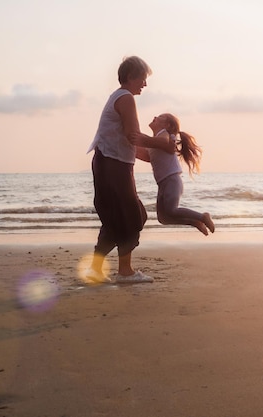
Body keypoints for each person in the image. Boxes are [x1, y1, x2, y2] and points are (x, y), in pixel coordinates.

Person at [84, 56, 175, 284]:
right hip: (112, 165)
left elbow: (132, 146)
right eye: (143, 79)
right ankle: (124, 272)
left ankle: (96, 270)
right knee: (132, 215)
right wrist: (164, 145)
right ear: (131, 76)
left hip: (113, 164)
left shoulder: (119, 97)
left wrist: (157, 158)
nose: (145, 84)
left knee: (117, 219)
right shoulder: (125, 98)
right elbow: (133, 136)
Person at [130, 113, 215, 236]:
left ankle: (202, 216)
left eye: (160, 117)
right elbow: (145, 155)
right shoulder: (154, 143)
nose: (154, 116)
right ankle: (194, 222)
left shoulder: (164, 135)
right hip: (163, 183)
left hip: (172, 180)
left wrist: (143, 139)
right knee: (163, 218)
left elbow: (162, 141)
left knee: (172, 210)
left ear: (167, 125)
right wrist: (127, 146)